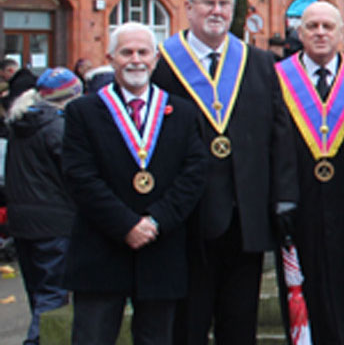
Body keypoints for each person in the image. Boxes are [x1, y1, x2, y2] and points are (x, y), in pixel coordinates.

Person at [152, 0, 297, 345]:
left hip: (245, 217)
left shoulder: (260, 63)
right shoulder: (162, 65)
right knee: (189, 325)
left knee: (239, 324)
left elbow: (279, 135)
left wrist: (282, 198)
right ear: (188, 8)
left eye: (224, 4)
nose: (216, 11)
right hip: (189, 219)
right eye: (207, 3)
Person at [64, 22, 210, 344]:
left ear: (155, 59)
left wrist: (156, 220)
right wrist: (126, 224)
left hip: (161, 248)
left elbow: (194, 173)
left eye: (143, 52)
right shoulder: (83, 112)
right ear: (110, 58)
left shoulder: (182, 112)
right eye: (126, 52)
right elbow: (79, 176)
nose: (135, 60)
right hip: (101, 249)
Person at [274, 1, 344, 344]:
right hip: (298, 205)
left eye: (328, 26)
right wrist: (282, 197)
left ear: (342, 34)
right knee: (303, 293)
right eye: (311, 26)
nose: (320, 33)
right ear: (299, 33)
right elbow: (273, 142)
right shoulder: (278, 78)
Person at [4, 67, 82, 345]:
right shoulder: (58, 127)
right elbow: (74, 173)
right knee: (52, 294)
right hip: (54, 220)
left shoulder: (19, 123)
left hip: (22, 219)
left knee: (38, 292)